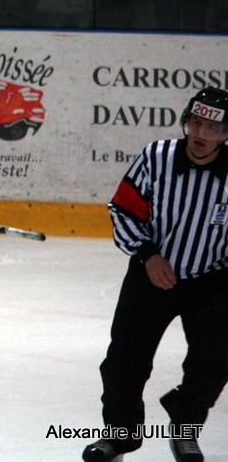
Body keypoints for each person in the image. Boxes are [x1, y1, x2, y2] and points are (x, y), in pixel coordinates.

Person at [82, 87, 228, 462]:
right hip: (150, 275)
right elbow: (124, 210)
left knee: (216, 360)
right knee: (124, 362)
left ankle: (184, 425)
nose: (200, 133)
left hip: (211, 280)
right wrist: (147, 254)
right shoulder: (156, 156)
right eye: (195, 122)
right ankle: (120, 436)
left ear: (225, 134)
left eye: (212, 128)